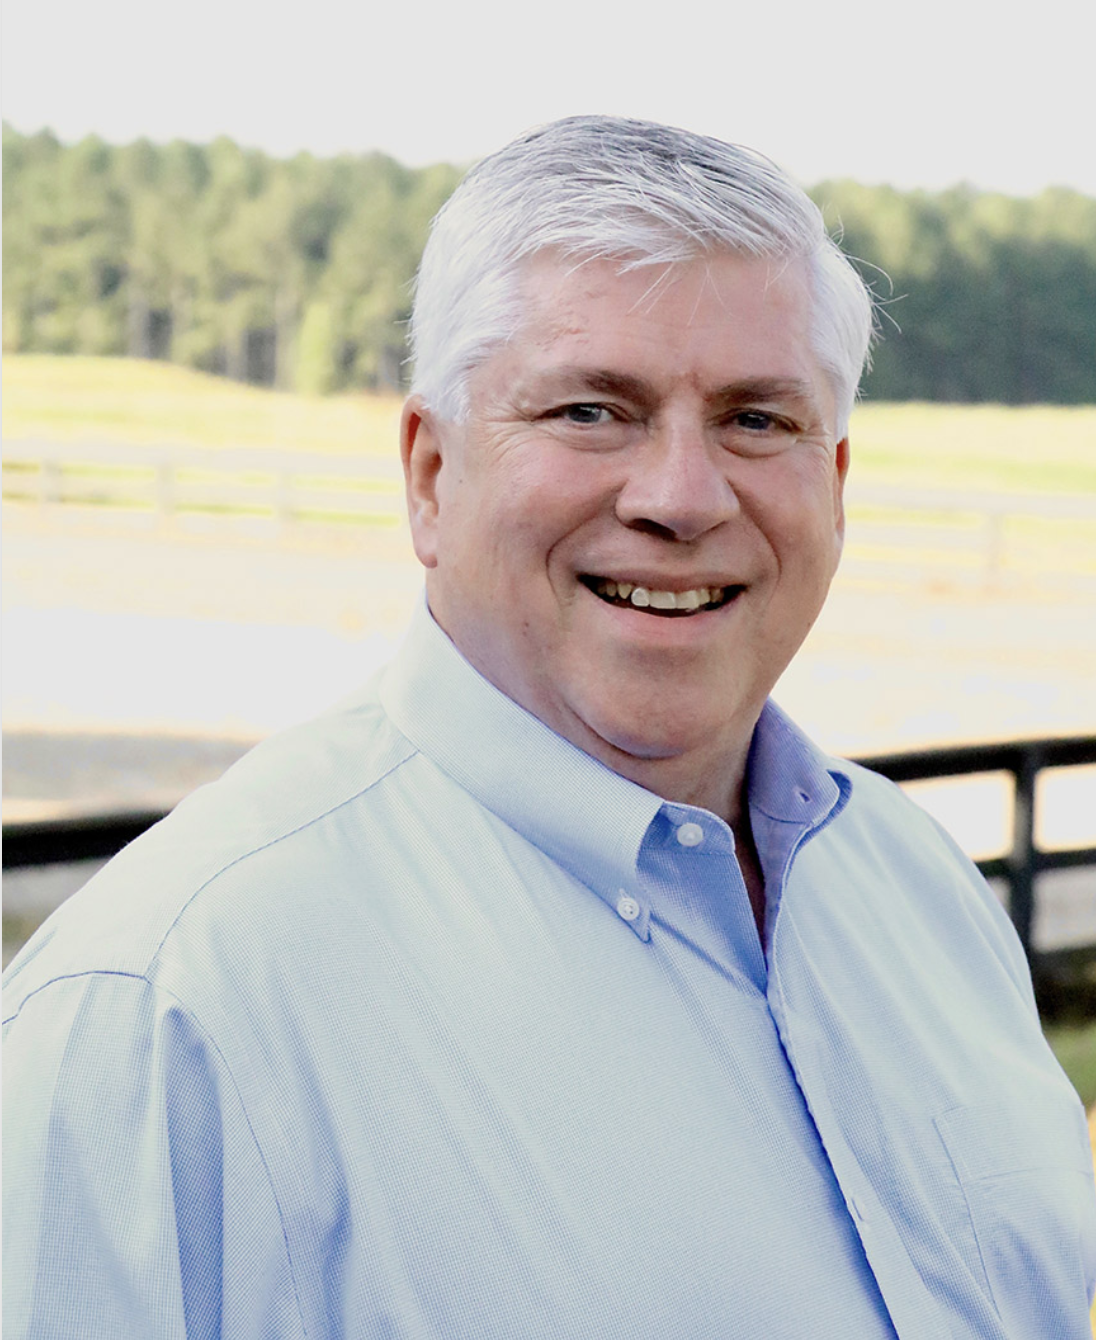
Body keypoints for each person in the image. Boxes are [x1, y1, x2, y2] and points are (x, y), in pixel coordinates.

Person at [4, 116, 1094, 1339]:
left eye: (755, 419)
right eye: (590, 410)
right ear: (430, 474)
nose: (680, 496)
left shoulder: (916, 884)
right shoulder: (163, 1010)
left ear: (834, 481)